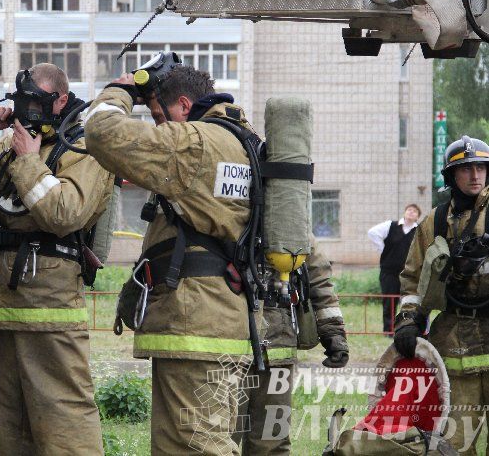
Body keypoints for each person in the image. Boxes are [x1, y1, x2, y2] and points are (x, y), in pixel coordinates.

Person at [83, 63, 259, 455]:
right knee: (196, 440)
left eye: (161, 117)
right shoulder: (242, 142)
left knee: (195, 444)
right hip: (223, 315)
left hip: (195, 318)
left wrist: (119, 91)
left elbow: (102, 133)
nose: (161, 129)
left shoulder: (194, 142)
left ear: (184, 104)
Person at [0, 63, 114, 455]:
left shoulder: (84, 148)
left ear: (61, 100)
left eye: (35, 102)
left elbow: (64, 214)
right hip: (4, 306)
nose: (27, 112)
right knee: (8, 428)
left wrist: (28, 160)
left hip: (51, 308)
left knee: (65, 425)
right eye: (21, 102)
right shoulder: (12, 145)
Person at [395, 135, 489, 455]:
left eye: (480, 167)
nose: (475, 175)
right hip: (454, 344)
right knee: (456, 446)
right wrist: (408, 322)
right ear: (451, 176)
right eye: (466, 169)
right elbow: (412, 279)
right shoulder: (434, 222)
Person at [237, 236, 349, 455]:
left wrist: (334, 333)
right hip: (261, 341)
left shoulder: (288, 222)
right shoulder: (288, 220)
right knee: (256, 437)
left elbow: (317, 277)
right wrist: (334, 334)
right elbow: (319, 279)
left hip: (260, 345)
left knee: (267, 436)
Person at [368, 204, 421, 334]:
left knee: (408, 302)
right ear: (404, 212)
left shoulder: (419, 231)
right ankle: (388, 330)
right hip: (389, 272)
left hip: (409, 274)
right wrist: (383, 250)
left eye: (415, 211)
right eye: (409, 210)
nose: (411, 212)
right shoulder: (390, 226)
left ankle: (406, 329)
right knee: (389, 301)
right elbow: (372, 232)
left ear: (417, 216)